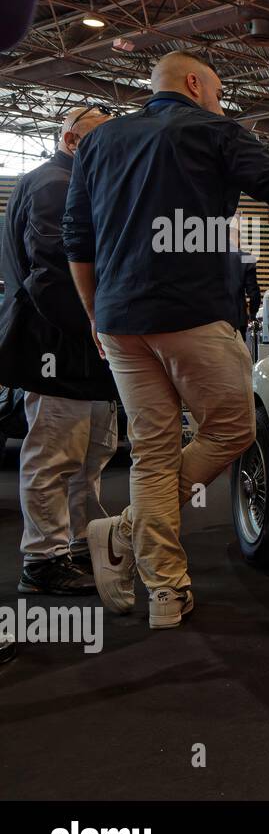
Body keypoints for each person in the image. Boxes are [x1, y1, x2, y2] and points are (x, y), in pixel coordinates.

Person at [63, 49, 269, 629]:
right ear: (194, 83)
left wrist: (95, 314)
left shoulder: (99, 142)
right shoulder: (212, 130)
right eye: (215, 91)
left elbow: (78, 239)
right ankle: (134, 545)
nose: (220, 101)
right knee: (233, 429)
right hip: (191, 313)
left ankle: (160, 584)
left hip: (119, 321)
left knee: (152, 450)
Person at [0, 106, 118, 596]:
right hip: (57, 343)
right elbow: (49, 274)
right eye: (100, 139)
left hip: (81, 344)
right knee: (53, 454)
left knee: (89, 453)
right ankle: (43, 560)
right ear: (72, 140)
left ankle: (71, 548)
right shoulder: (53, 185)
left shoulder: (78, 185)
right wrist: (94, 327)